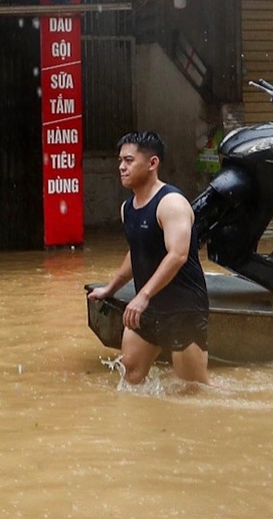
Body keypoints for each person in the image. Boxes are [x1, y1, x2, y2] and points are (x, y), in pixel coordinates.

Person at [87, 132, 210, 385]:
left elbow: (178, 255)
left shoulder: (171, 203)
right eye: (120, 160)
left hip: (182, 308)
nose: (121, 167)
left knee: (193, 388)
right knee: (130, 374)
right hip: (148, 307)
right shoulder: (128, 208)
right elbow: (137, 252)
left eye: (129, 160)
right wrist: (110, 288)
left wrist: (142, 295)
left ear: (152, 163)